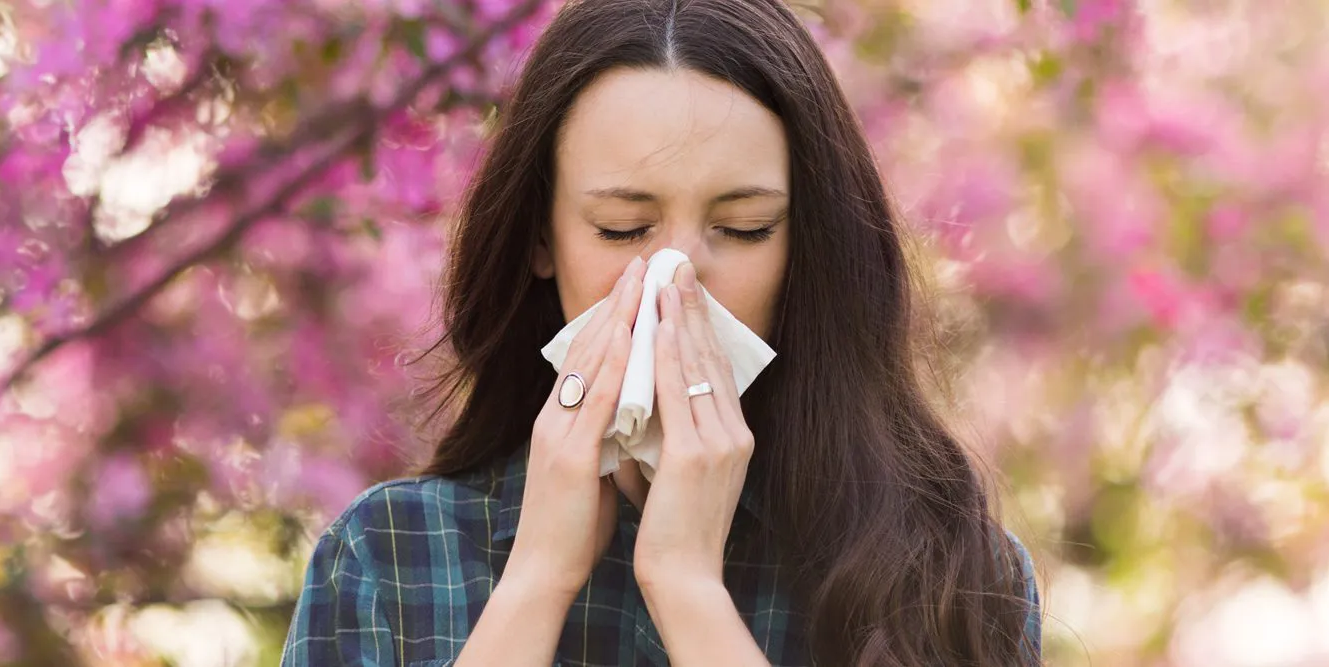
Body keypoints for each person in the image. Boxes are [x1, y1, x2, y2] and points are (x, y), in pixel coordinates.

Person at [280, 0, 1042, 664]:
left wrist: (688, 590)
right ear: (541, 237)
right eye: (624, 227)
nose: (677, 276)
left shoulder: (947, 577)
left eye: (743, 229)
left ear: (804, 243)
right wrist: (538, 577)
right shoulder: (385, 558)